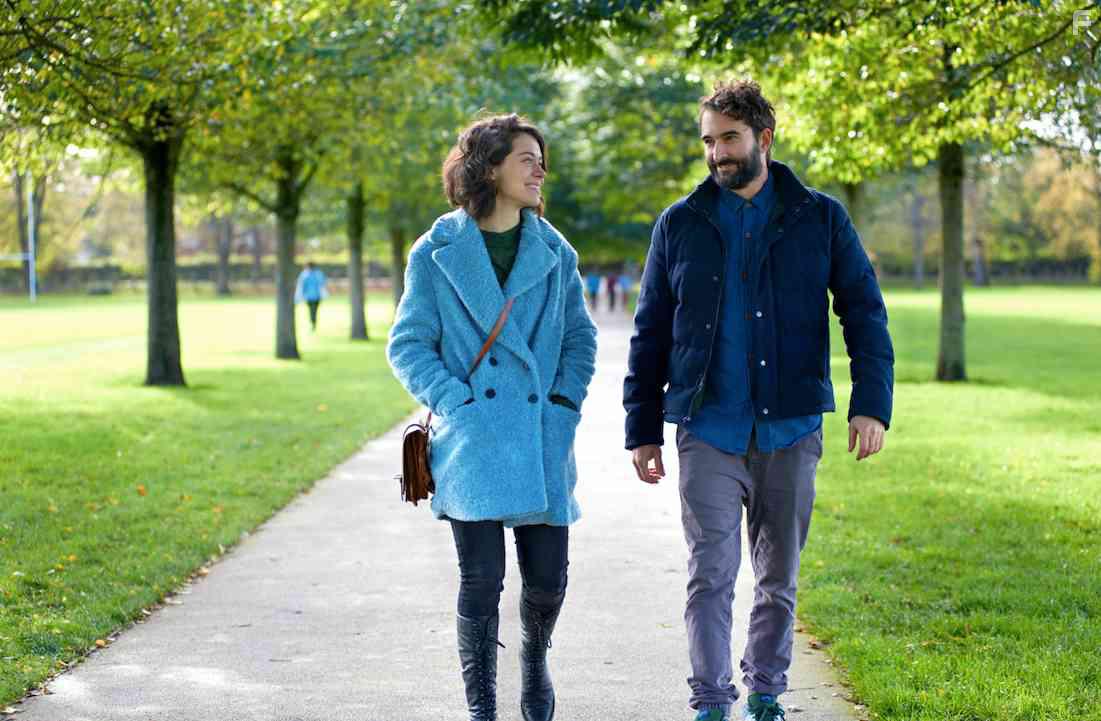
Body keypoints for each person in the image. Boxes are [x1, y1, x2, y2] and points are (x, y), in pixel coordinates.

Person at [623, 80, 894, 721]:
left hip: (790, 428)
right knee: (709, 574)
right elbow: (650, 329)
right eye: (709, 141)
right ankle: (712, 701)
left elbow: (863, 309)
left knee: (777, 579)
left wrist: (871, 403)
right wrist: (642, 428)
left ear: (763, 139)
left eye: (729, 139)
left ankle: (766, 691)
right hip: (708, 429)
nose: (717, 153)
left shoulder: (820, 216)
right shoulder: (680, 223)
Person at [387, 114, 597, 721]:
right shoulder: (436, 252)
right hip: (474, 439)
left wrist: (564, 403)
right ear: (489, 167)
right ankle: (482, 707)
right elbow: (408, 343)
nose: (539, 169)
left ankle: (534, 662)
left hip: (540, 432)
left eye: (541, 159)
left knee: (547, 579)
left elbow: (580, 339)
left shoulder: (556, 252)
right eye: (526, 157)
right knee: (481, 582)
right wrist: (457, 403)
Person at [294, 261, 328, 331]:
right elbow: (323, 283)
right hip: (314, 296)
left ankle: (313, 322)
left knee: (312, 310)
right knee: (314, 310)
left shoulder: (305, 274)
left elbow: (301, 286)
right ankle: (313, 322)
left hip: (311, 296)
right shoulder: (317, 274)